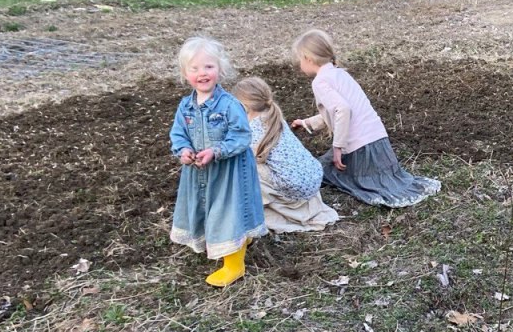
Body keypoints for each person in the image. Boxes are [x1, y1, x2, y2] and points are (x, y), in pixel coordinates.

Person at [289, 29, 441, 207]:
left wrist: (338, 147)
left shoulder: (320, 81)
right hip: (378, 141)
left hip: (360, 148)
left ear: (308, 58)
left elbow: (343, 110)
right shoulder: (340, 74)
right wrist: (306, 123)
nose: (300, 65)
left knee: (321, 171)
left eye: (300, 60)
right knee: (325, 168)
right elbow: (336, 112)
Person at [169, 37, 267, 286]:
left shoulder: (229, 105)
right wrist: (183, 150)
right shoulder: (185, 107)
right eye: (195, 68)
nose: (202, 73)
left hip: (228, 172)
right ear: (185, 74)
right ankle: (235, 241)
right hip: (198, 172)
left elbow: (242, 136)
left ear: (220, 69)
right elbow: (178, 133)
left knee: (228, 212)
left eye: (208, 67)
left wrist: (217, 151)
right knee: (208, 209)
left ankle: (235, 265)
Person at [232, 76, 340, 233]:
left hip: (295, 188)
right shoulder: (274, 117)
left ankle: (263, 207)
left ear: (242, 107)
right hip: (314, 176)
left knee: (244, 167)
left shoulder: (252, 130)